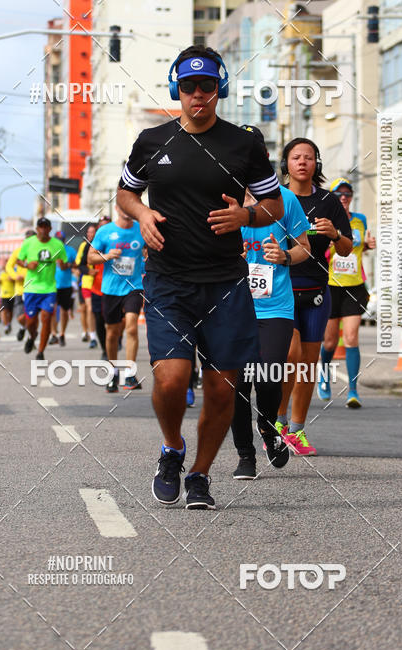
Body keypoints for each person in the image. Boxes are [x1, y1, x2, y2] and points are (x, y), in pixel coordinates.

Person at [117, 45, 284, 510]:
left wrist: (246, 216)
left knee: (220, 388)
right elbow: (125, 195)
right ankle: (172, 447)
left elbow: (271, 205)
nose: (197, 95)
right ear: (177, 89)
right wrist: (142, 213)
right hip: (168, 280)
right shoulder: (152, 141)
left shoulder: (244, 143)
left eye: (207, 86)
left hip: (227, 283)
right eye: (188, 86)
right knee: (170, 380)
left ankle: (200, 475)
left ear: (219, 90)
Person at [231, 127, 310, 480]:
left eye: (255, 152)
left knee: (267, 375)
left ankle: (267, 429)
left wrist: (285, 256)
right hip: (232, 306)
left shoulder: (284, 199)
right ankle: (245, 455)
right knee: (235, 385)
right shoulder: (221, 197)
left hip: (274, 306)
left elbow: (305, 246)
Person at [275, 140, 353, 456]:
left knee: (308, 364)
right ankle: (276, 421)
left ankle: (296, 430)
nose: (303, 162)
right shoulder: (276, 199)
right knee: (290, 356)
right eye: (296, 157)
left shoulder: (328, 202)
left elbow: (346, 249)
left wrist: (334, 234)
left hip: (317, 291)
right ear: (286, 163)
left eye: (309, 157)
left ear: (316, 164)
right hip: (282, 288)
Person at [318, 178, 376, 408]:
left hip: (355, 286)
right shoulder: (326, 221)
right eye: (339, 194)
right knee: (330, 342)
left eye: (347, 193)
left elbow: (362, 247)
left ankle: (353, 390)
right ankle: (324, 375)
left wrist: (370, 245)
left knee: (351, 337)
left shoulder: (360, 220)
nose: (344, 197)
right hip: (332, 285)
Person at [89, 207, 146, 392]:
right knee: (112, 333)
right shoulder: (105, 231)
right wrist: (106, 256)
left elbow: (153, 248)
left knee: (131, 326)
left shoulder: (141, 228)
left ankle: (130, 373)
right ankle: (113, 373)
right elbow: (90, 257)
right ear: (117, 209)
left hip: (134, 286)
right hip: (111, 289)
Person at [16, 218, 69, 361]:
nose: (43, 229)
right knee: (31, 321)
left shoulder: (57, 244)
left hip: (49, 288)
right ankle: (32, 336)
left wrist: (63, 265)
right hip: (32, 288)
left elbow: (64, 264)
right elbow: (18, 260)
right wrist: (27, 265)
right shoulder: (28, 243)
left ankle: (40, 352)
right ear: (37, 228)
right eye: (41, 227)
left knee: (46, 318)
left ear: (50, 229)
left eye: (46, 227)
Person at [49, 231, 77, 347]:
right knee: (52, 310)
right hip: (51, 284)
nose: (59, 241)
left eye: (61, 239)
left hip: (66, 285)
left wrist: (68, 265)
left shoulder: (70, 250)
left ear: (65, 239)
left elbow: (76, 264)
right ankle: (53, 334)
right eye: (58, 239)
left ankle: (62, 334)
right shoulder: (50, 250)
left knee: (64, 311)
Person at [75, 223, 100, 347]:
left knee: (99, 311)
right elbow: (79, 264)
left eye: (93, 232)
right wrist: (89, 271)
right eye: (89, 232)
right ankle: (92, 336)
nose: (91, 235)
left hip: (101, 282)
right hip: (86, 282)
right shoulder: (84, 246)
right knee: (88, 309)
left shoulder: (102, 245)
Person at [6, 229, 35, 341]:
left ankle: (31, 337)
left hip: (34, 290)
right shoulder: (18, 252)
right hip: (20, 290)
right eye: (27, 240)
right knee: (20, 317)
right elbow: (9, 266)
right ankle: (23, 327)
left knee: (32, 317)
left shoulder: (37, 253)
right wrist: (15, 276)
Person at [0, 267, 15, 334]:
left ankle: (9, 323)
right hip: (2, 295)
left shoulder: (13, 274)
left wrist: (13, 279)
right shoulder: (0, 275)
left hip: (12, 295)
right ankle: (5, 325)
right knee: (3, 309)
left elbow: (18, 282)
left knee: (10, 311)